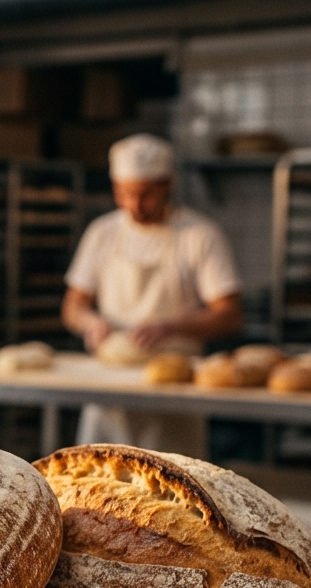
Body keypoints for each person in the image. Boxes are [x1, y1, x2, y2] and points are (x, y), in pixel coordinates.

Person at [62, 133, 243, 456]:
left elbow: (230, 314)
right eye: (124, 194)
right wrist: (91, 323)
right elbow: (73, 306)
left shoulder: (199, 235)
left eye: (146, 195)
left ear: (169, 185)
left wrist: (172, 327)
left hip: (173, 390)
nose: (135, 205)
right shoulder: (103, 232)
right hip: (110, 385)